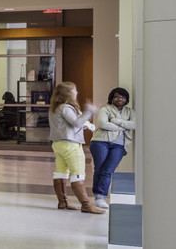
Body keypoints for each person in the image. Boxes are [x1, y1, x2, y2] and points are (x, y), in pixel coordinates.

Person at [50, 81, 103, 214]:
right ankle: (86, 205)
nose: (77, 93)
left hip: (58, 144)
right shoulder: (66, 108)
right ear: (68, 93)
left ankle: (63, 202)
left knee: (61, 173)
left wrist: (84, 124)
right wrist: (89, 112)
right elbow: (75, 123)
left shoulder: (55, 108)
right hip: (71, 145)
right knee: (78, 173)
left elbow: (67, 124)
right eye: (75, 90)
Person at [91, 87, 135, 207]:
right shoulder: (105, 109)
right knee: (99, 169)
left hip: (119, 145)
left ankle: (100, 196)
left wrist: (115, 121)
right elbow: (103, 124)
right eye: (116, 96)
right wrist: (123, 127)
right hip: (100, 142)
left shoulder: (130, 112)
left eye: (122, 97)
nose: (119, 99)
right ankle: (98, 197)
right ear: (112, 98)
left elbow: (134, 124)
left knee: (108, 170)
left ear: (126, 99)